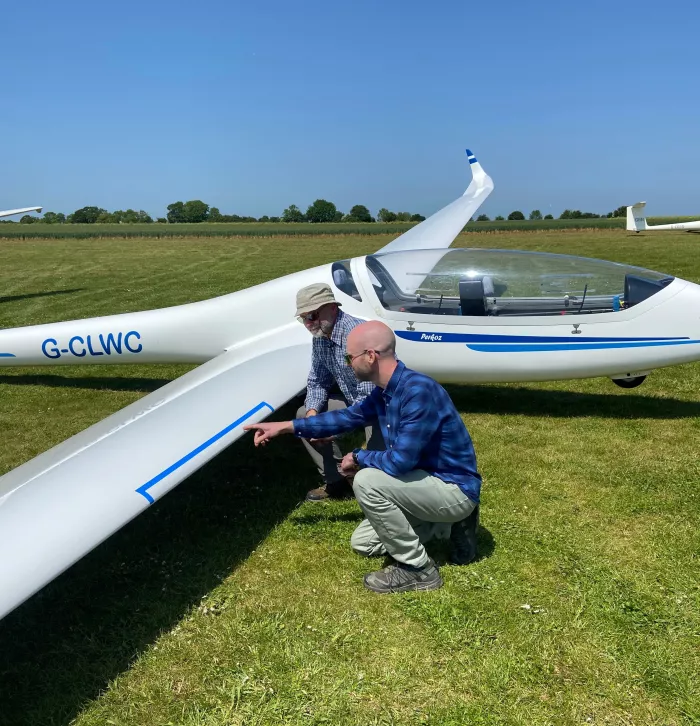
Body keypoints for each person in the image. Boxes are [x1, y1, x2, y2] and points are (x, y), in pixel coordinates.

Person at [244, 321, 481, 594]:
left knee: (367, 480)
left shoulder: (418, 392)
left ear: (371, 356)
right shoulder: (387, 392)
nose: (346, 364)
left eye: (349, 357)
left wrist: (358, 457)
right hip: (420, 482)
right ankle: (447, 525)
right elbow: (348, 417)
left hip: (452, 487)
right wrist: (286, 427)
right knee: (364, 543)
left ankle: (419, 569)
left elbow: (400, 462)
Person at [293, 283, 384, 501]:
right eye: (303, 318)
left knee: (377, 469)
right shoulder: (320, 336)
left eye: (312, 315)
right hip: (355, 402)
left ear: (332, 307)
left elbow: (370, 395)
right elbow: (317, 380)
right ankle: (336, 481)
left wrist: (333, 429)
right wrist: (313, 415)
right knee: (302, 415)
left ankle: (372, 487)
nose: (308, 323)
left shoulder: (359, 335)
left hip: (382, 407)